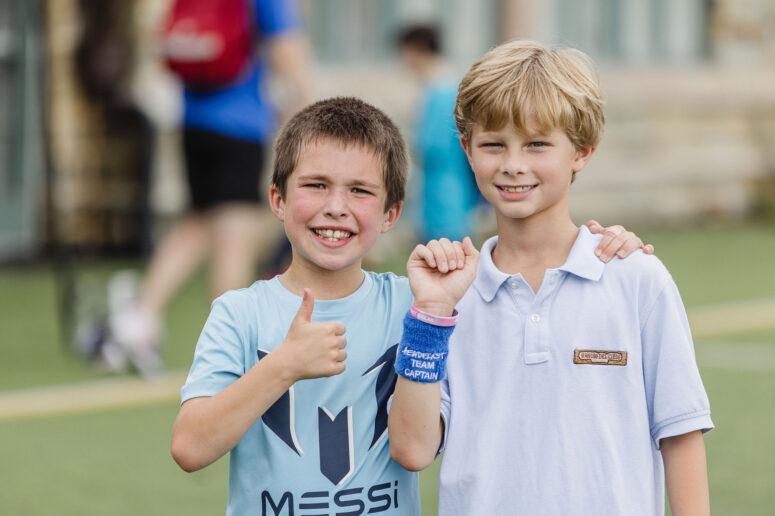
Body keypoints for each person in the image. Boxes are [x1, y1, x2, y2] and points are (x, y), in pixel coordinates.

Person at [170, 97, 649, 514]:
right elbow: (190, 447)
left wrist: (606, 246)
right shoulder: (238, 313)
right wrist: (284, 366)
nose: (336, 206)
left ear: (391, 214)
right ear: (277, 198)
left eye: (360, 191)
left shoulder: (415, 302)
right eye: (316, 185)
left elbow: (529, 295)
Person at [388, 41, 712, 515]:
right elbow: (414, 450)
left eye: (537, 144)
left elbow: (680, 436)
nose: (513, 164)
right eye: (493, 144)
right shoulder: (447, 296)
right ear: (467, 150)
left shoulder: (638, 279)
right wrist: (432, 314)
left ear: (581, 151)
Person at [102, 0, 311, 376]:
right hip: (240, 124)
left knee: (200, 222)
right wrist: (301, 107)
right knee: (234, 234)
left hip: (193, 121)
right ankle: (228, 348)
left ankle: (138, 319)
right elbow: (286, 49)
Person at [397, 24, 480, 242]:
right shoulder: (444, 85)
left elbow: (431, 147)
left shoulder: (440, 90)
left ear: (417, 49)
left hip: (444, 192)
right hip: (450, 189)